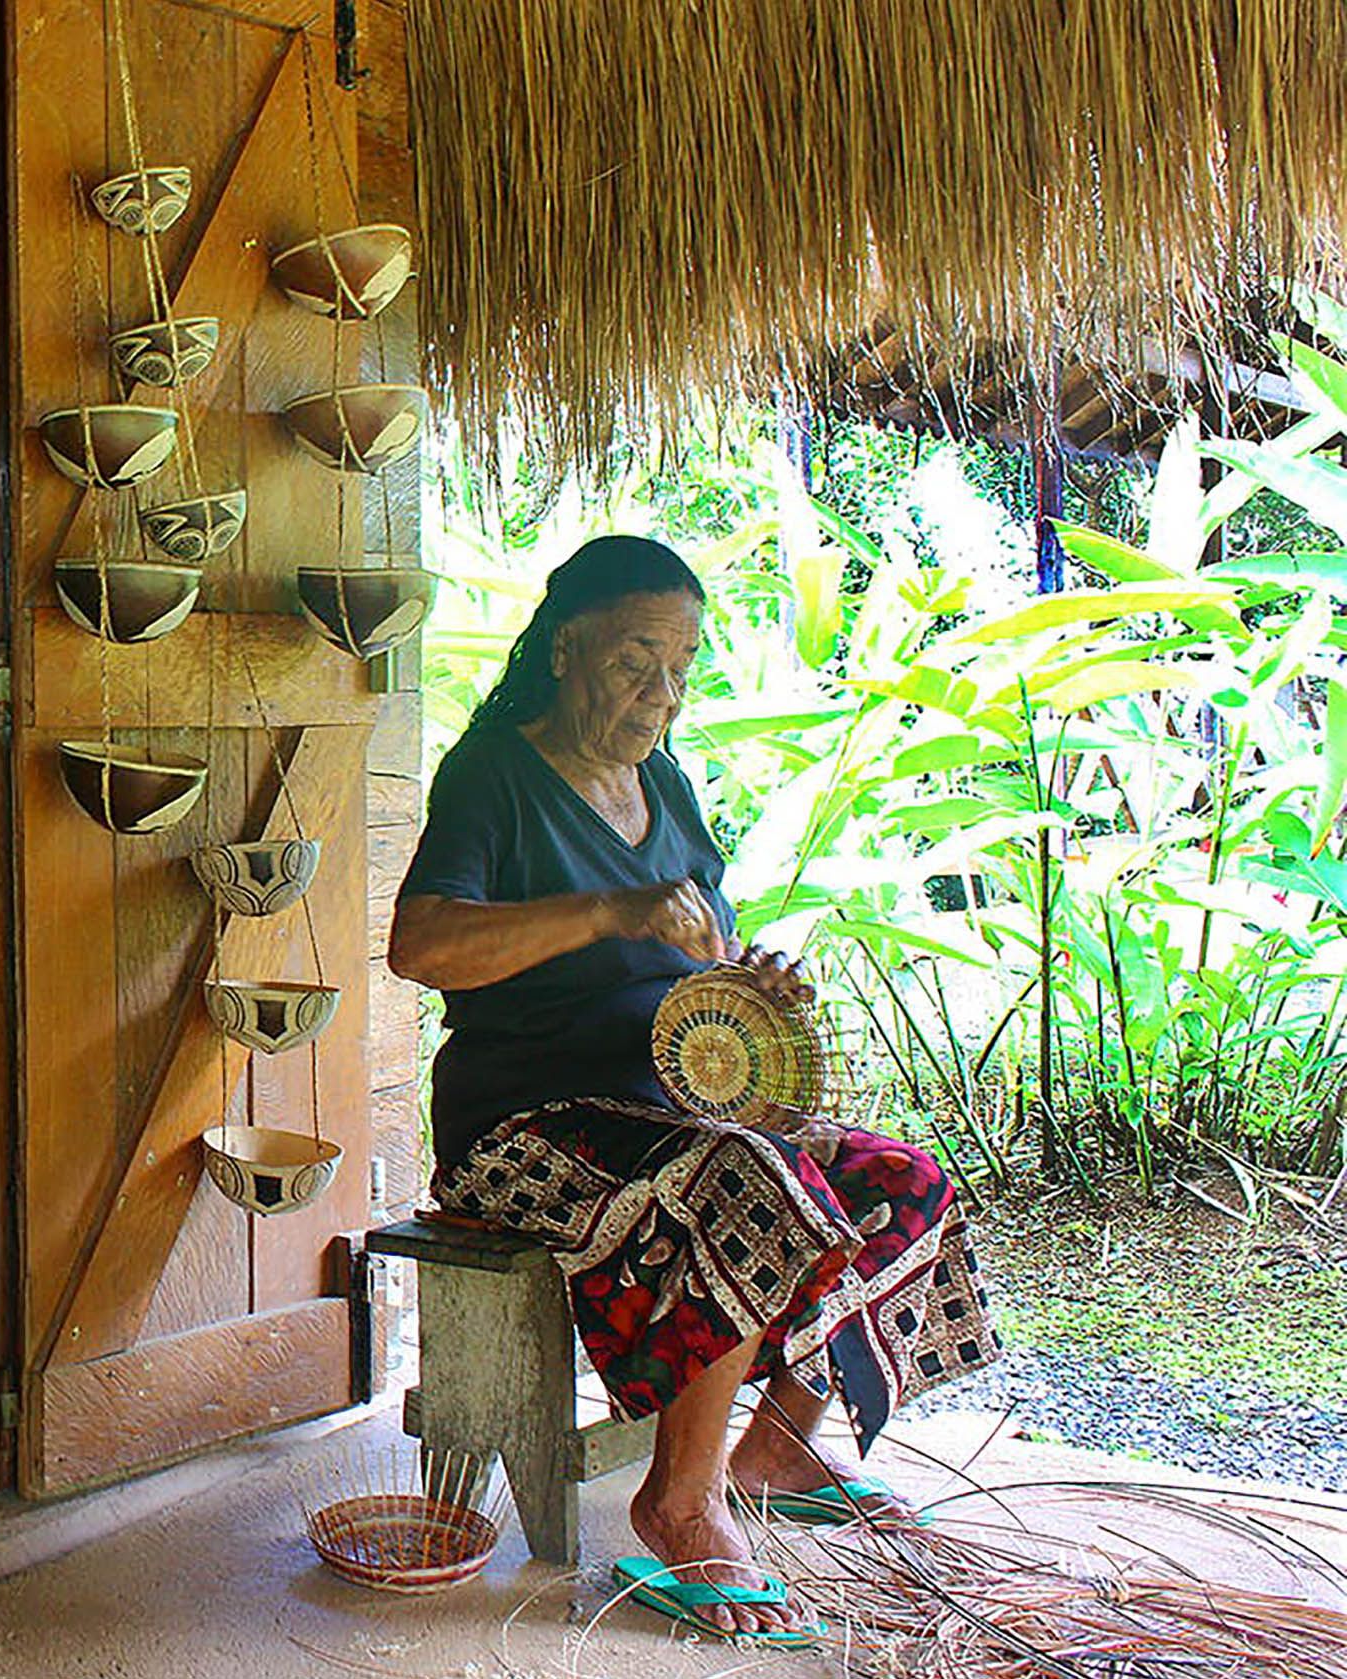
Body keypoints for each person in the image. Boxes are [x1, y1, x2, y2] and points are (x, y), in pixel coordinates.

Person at [387, 535, 996, 1643]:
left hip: (666, 1105)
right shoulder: (495, 772)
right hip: (526, 1122)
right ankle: (677, 1499)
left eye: (678, 665)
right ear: (565, 647)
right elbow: (420, 945)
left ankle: (781, 1450)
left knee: (897, 1180)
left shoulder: (660, 779)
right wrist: (611, 909)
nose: (659, 693)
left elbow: (692, 935)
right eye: (633, 661)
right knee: (746, 1181)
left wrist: (742, 977)